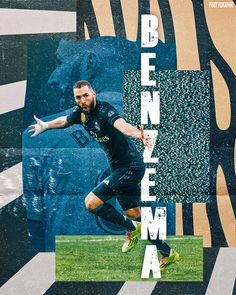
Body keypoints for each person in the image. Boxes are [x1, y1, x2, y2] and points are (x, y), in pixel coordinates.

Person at [28, 80, 179, 270]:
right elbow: (65, 121)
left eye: (85, 95)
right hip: (119, 169)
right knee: (133, 214)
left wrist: (138, 134)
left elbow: (122, 126)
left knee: (91, 203)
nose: (82, 100)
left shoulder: (105, 110)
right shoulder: (80, 114)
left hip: (131, 167)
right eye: (78, 97)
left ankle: (132, 230)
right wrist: (47, 125)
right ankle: (168, 253)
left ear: (93, 94)